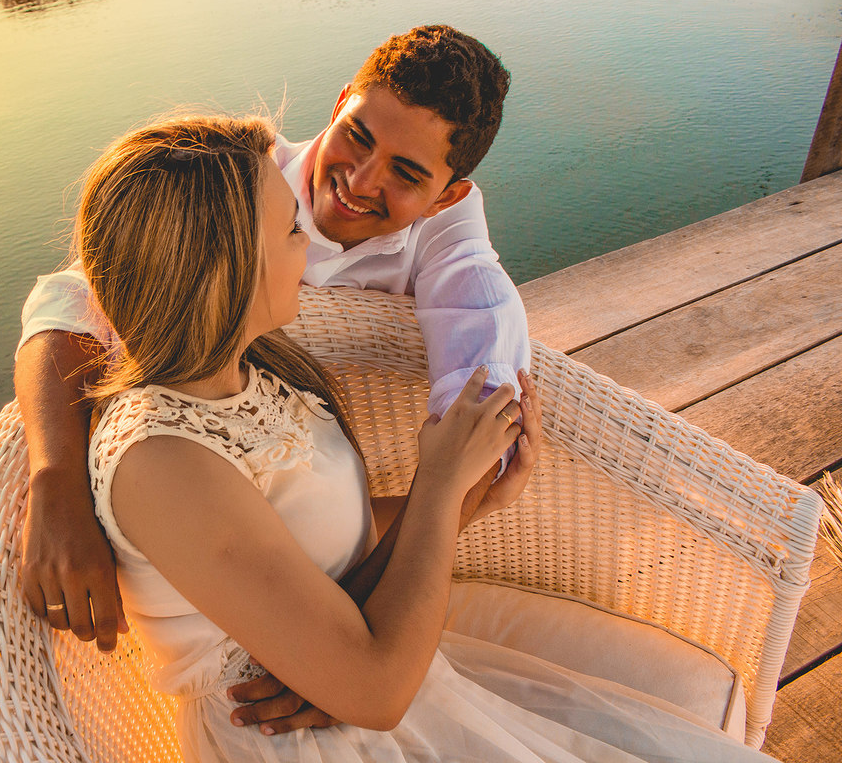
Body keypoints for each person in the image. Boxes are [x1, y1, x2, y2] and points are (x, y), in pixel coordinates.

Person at [70, 114, 778, 763]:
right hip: (299, 742)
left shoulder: (251, 371)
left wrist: (473, 498)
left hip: (361, 683)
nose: (310, 245)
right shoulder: (162, 463)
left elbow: (324, 555)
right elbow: (376, 692)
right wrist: (439, 486)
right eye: (291, 231)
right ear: (224, 269)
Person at [16, 26, 531, 665]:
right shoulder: (238, 177)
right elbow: (72, 300)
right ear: (343, 101)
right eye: (358, 135)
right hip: (209, 513)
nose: (358, 181)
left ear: (448, 195)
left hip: (311, 541)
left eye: (405, 173)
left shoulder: (455, 248)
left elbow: (482, 386)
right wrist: (57, 481)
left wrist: (461, 476)